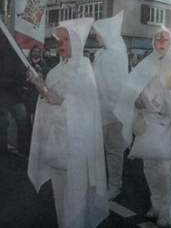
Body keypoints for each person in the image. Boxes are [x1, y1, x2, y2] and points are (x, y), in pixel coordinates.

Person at [27, 18, 109, 228]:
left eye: (66, 39)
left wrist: (55, 99)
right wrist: (41, 87)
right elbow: (49, 103)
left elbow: (83, 111)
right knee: (60, 200)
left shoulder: (84, 70)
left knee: (75, 203)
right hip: (57, 146)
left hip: (77, 150)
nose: (60, 43)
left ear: (78, 41)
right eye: (57, 39)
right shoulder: (55, 71)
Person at [114, 25, 171, 227]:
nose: (162, 42)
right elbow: (132, 89)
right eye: (158, 39)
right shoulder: (145, 63)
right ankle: (155, 204)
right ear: (153, 42)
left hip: (169, 123)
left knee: (167, 169)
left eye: (165, 39)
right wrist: (137, 98)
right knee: (149, 167)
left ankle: (166, 209)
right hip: (149, 122)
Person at [93, 11, 128, 200]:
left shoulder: (115, 54)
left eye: (98, 33)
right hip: (101, 109)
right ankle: (105, 182)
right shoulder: (102, 53)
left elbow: (115, 85)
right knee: (104, 150)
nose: (96, 36)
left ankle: (115, 185)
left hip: (113, 111)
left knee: (113, 151)